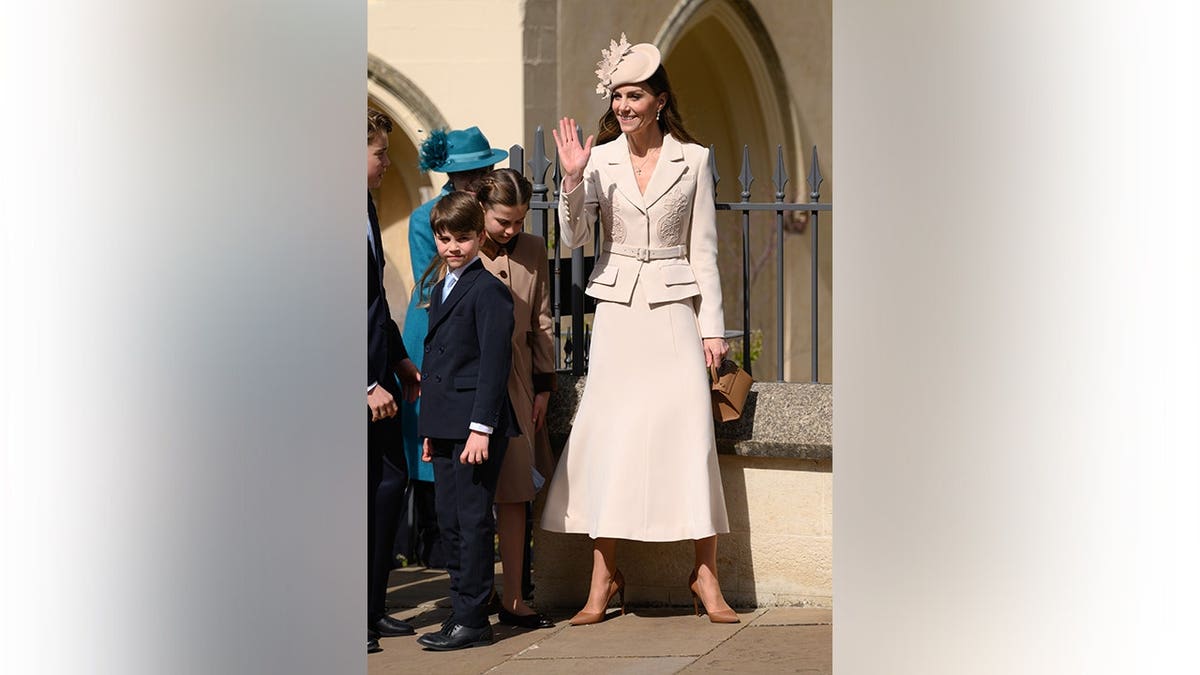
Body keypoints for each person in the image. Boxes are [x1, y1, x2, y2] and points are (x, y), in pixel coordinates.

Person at [540, 34, 740, 625]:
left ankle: (705, 575)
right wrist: (573, 182)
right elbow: (574, 239)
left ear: (658, 100)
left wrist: (714, 329)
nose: (624, 106)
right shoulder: (597, 160)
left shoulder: (695, 159)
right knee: (611, 434)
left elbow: (705, 249)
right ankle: (603, 579)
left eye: (635, 96)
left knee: (690, 434)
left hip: (677, 311)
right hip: (620, 312)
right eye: (617, 96)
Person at [397, 128, 508, 570]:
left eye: (484, 170)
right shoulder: (428, 216)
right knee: (434, 450)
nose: (480, 178)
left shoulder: (491, 213)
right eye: (471, 173)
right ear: (454, 176)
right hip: (434, 329)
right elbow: (434, 282)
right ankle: (436, 552)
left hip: (480, 318)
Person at [415, 191, 517, 651]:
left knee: (473, 519)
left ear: (480, 237)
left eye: (463, 237)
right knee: (449, 519)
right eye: (444, 238)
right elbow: (438, 364)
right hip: (445, 426)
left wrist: (481, 428)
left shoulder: (490, 291)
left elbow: (493, 366)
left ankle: (475, 618)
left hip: (476, 429)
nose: (452, 247)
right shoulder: (441, 288)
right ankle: (460, 611)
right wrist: (430, 432)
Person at [475, 169, 557, 630]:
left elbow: (542, 318)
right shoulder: (462, 242)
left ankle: (514, 596)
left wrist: (544, 386)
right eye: (503, 221)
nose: (511, 231)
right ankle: (474, 590)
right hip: (473, 383)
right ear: (483, 209)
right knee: (471, 495)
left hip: (520, 384)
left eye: (519, 222)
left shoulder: (532, 249)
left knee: (515, 491)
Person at [366, 108, 423, 654]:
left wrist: (401, 361)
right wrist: (365, 383)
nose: (387, 162)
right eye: (380, 152)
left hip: (383, 373)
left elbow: (373, 302)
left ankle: (371, 607)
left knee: (388, 485)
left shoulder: (365, 205)